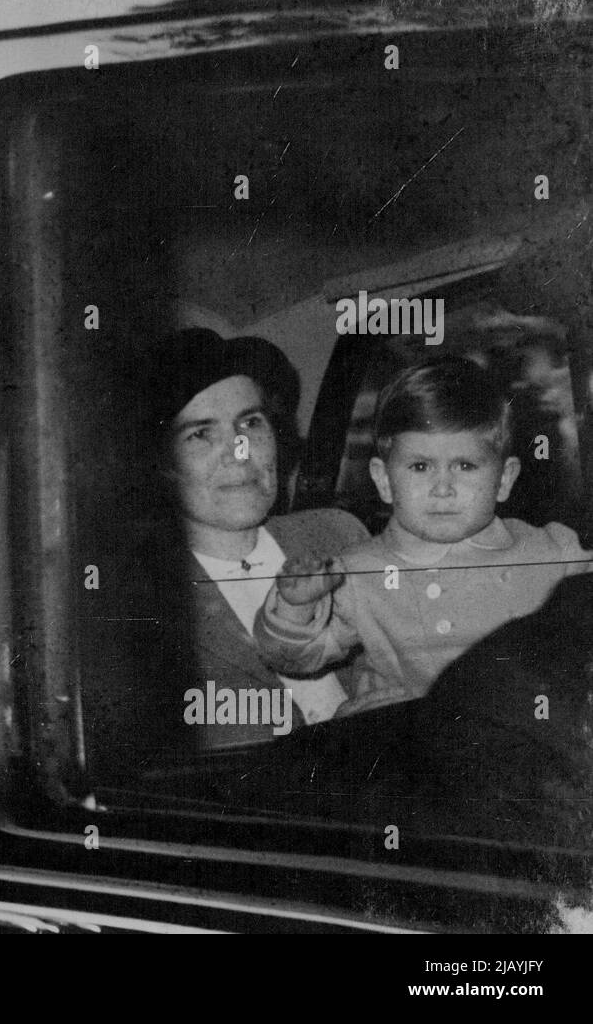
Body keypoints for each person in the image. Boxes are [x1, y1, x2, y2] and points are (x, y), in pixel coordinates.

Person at [83, 326, 370, 763]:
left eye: (250, 423)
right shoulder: (135, 605)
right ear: (160, 467)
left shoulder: (339, 536)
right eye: (200, 434)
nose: (239, 451)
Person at [255, 356, 593, 713]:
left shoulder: (552, 551)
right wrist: (296, 607)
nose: (442, 488)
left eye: (465, 465)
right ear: (384, 480)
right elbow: (294, 657)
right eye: (420, 466)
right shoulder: (356, 573)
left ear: (504, 479)